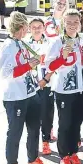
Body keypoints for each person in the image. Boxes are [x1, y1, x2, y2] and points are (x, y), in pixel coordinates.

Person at [0, 11, 50, 164]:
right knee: (15, 132)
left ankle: (33, 159)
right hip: (15, 97)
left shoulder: (20, 43)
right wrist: (28, 66)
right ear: (21, 28)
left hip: (30, 92)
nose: (28, 30)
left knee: (34, 128)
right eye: (26, 27)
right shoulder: (8, 45)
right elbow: (5, 73)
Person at [46, 9, 83, 164]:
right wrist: (62, 57)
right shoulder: (57, 42)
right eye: (69, 22)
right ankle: (64, 156)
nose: (72, 25)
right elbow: (50, 66)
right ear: (63, 23)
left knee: (77, 123)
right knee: (65, 123)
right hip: (64, 89)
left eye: (75, 22)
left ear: (80, 23)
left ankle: (73, 152)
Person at [27, 18, 56, 155]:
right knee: (33, 116)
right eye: (34, 27)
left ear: (44, 28)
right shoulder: (25, 44)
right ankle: (34, 144)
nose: (37, 29)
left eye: (39, 26)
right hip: (31, 86)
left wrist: (45, 79)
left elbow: (55, 64)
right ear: (29, 28)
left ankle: (45, 141)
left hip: (47, 84)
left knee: (47, 115)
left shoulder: (51, 43)